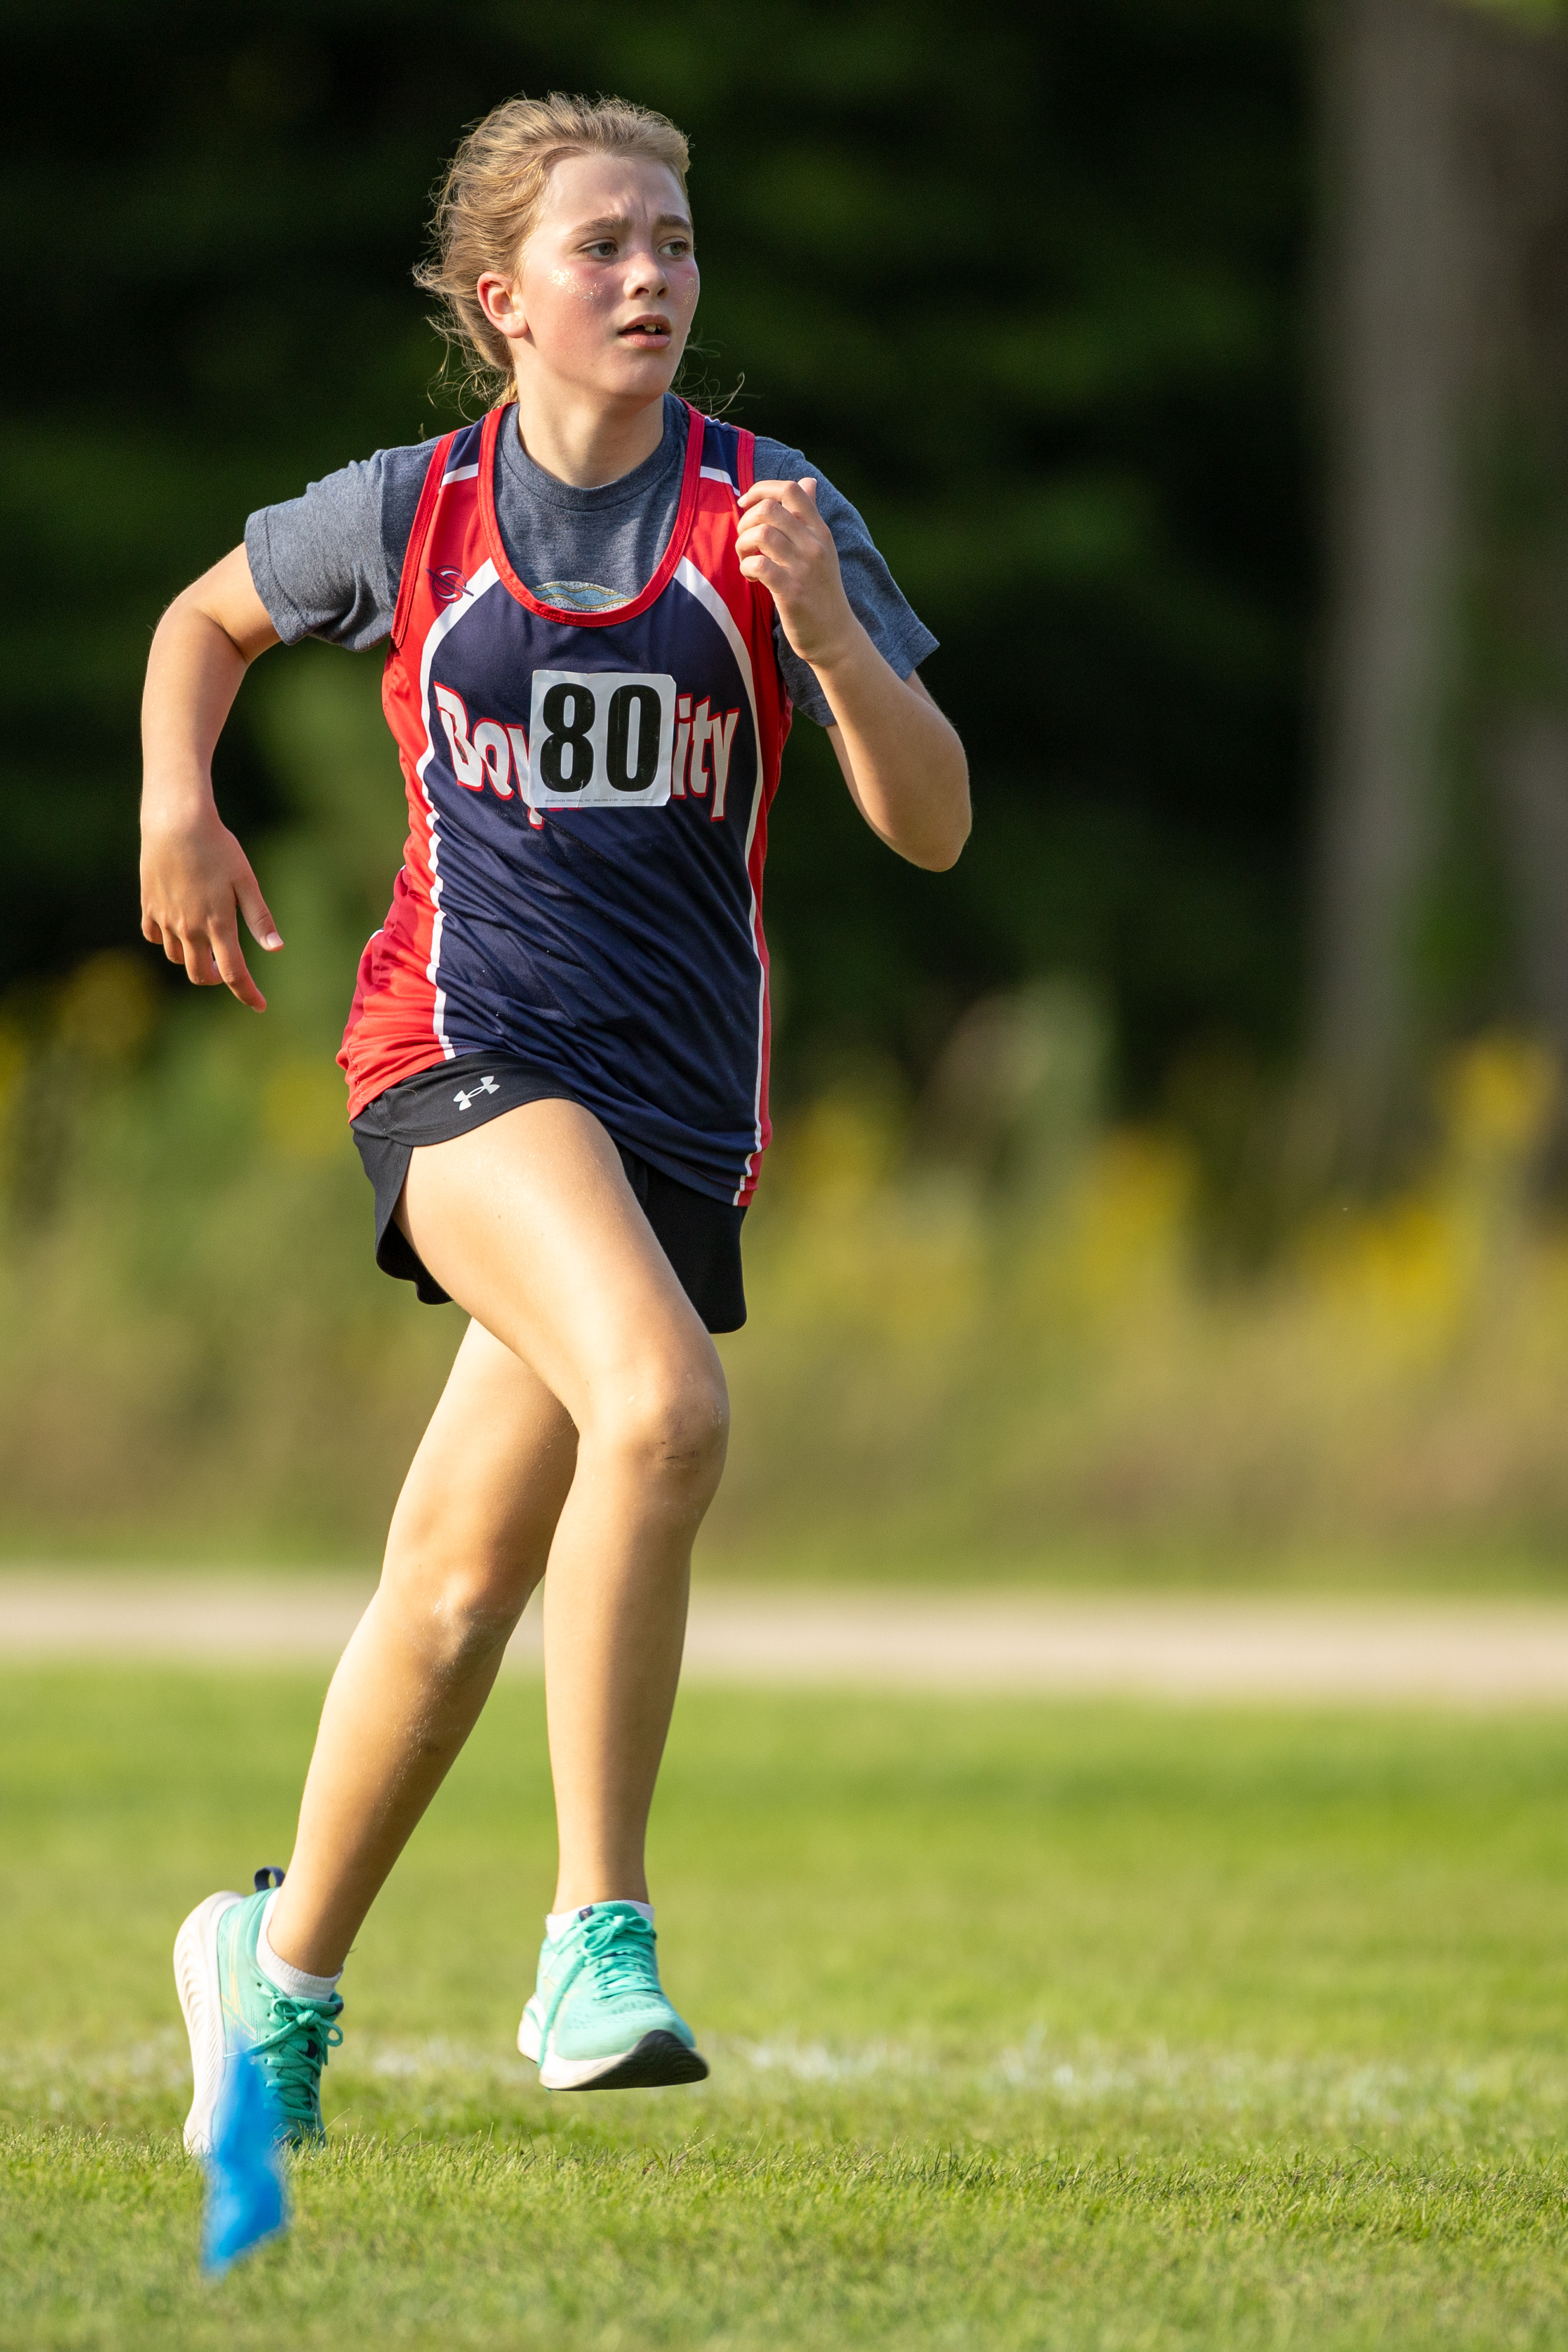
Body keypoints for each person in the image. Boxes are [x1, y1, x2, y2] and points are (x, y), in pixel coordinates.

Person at [142, 91, 969, 2151]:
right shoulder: (412, 509)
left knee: (452, 1588)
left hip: (671, 1111)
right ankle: (597, 1935)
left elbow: (934, 826)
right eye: (603, 246)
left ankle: (273, 1972)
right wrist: (178, 805)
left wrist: (830, 637)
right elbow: (201, 624)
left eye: (673, 243)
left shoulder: (772, 513)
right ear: (500, 298)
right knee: (664, 1412)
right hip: (458, 1051)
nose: (651, 277)